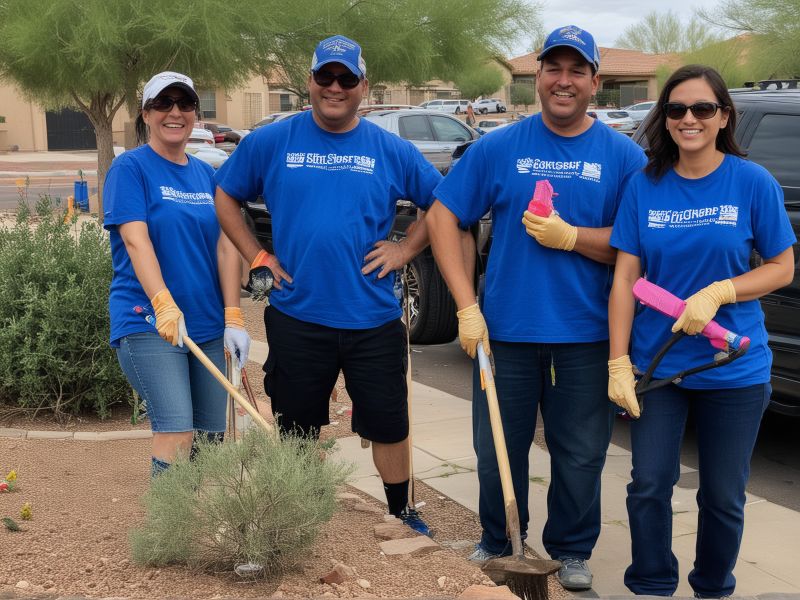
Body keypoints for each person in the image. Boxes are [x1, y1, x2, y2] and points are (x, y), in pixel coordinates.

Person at [426, 25, 646, 591]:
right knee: (498, 445)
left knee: (581, 452)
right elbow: (442, 218)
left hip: (587, 332)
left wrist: (573, 237)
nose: (564, 80)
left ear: (596, 81)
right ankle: (500, 542)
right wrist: (465, 305)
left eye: (577, 70)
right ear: (538, 77)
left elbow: (637, 247)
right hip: (507, 332)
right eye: (554, 68)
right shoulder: (499, 147)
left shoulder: (623, 157)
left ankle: (570, 549)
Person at [213, 35, 441, 535]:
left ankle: (400, 511)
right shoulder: (272, 141)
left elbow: (442, 203)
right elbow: (225, 194)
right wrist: (258, 255)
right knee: (297, 424)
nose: (334, 87)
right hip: (298, 315)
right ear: (309, 83)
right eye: (325, 77)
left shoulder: (391, 148)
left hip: (374, 319)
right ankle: (300, 512)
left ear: (364, 86)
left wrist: (405, 249)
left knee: (388, 423)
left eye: (346, 79)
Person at [607, 64, 795, 598]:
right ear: (664, 119)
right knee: (648, 486)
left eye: (702, 109)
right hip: (658, 366)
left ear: (722, 117)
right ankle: (651, 583)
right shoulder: (644, 186)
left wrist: (721, 291)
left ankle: (712, 586)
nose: (688, 118)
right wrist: (618, 362)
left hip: (733, 367)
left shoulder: (750, 180)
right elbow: (625, 278)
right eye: (676, 109)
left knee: (722, 495)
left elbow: (781, 266)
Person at [104, 71, 250, 477]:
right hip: (149, 321)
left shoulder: (207, 176)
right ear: (146, 113)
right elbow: (136, 241)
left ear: (195, 115)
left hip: (203, 323)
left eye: (185, 104)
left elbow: (226, 246)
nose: (175, 112)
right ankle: (167, 539)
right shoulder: (130, 169)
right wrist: (163, 303)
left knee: (210, 438)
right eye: (163, 103)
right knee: (177, 430)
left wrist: (233, 316)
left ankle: (195, 525)